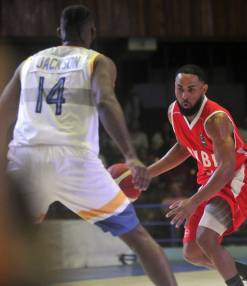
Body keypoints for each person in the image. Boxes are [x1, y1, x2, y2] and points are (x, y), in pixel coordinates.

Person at [0, 5, 177, 286]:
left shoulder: (28, 63)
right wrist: (130, 156)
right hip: (75, 161)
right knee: (138, 237)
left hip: (26, 158)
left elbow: (3, 113)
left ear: (59, 32)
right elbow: (105, 101)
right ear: (92, 32)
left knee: (9, 245)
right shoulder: (97, 61)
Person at [148, 64, 247, 286]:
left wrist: (193, 201)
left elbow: (226, 168)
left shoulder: (215, 120)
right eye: (179, 89)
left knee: (205, 238)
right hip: (210, 179)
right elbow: (183, 147)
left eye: (191, 89)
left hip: (237, 177)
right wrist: (148, 173)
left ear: (204, 89)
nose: (184, 95)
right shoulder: (174, 112)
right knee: (192, 252)